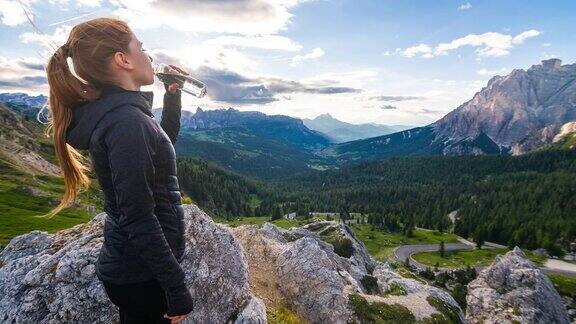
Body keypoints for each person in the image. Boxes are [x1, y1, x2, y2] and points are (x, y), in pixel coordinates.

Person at [43, 17, 193, 324]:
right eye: (141, 47)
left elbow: (161, 145)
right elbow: (138, 216)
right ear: (122, 60)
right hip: (141, 276)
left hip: (135, 269)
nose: (148, 56)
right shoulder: (126, 122)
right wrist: (177, 289)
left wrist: (172, 96)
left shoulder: (123, 115)